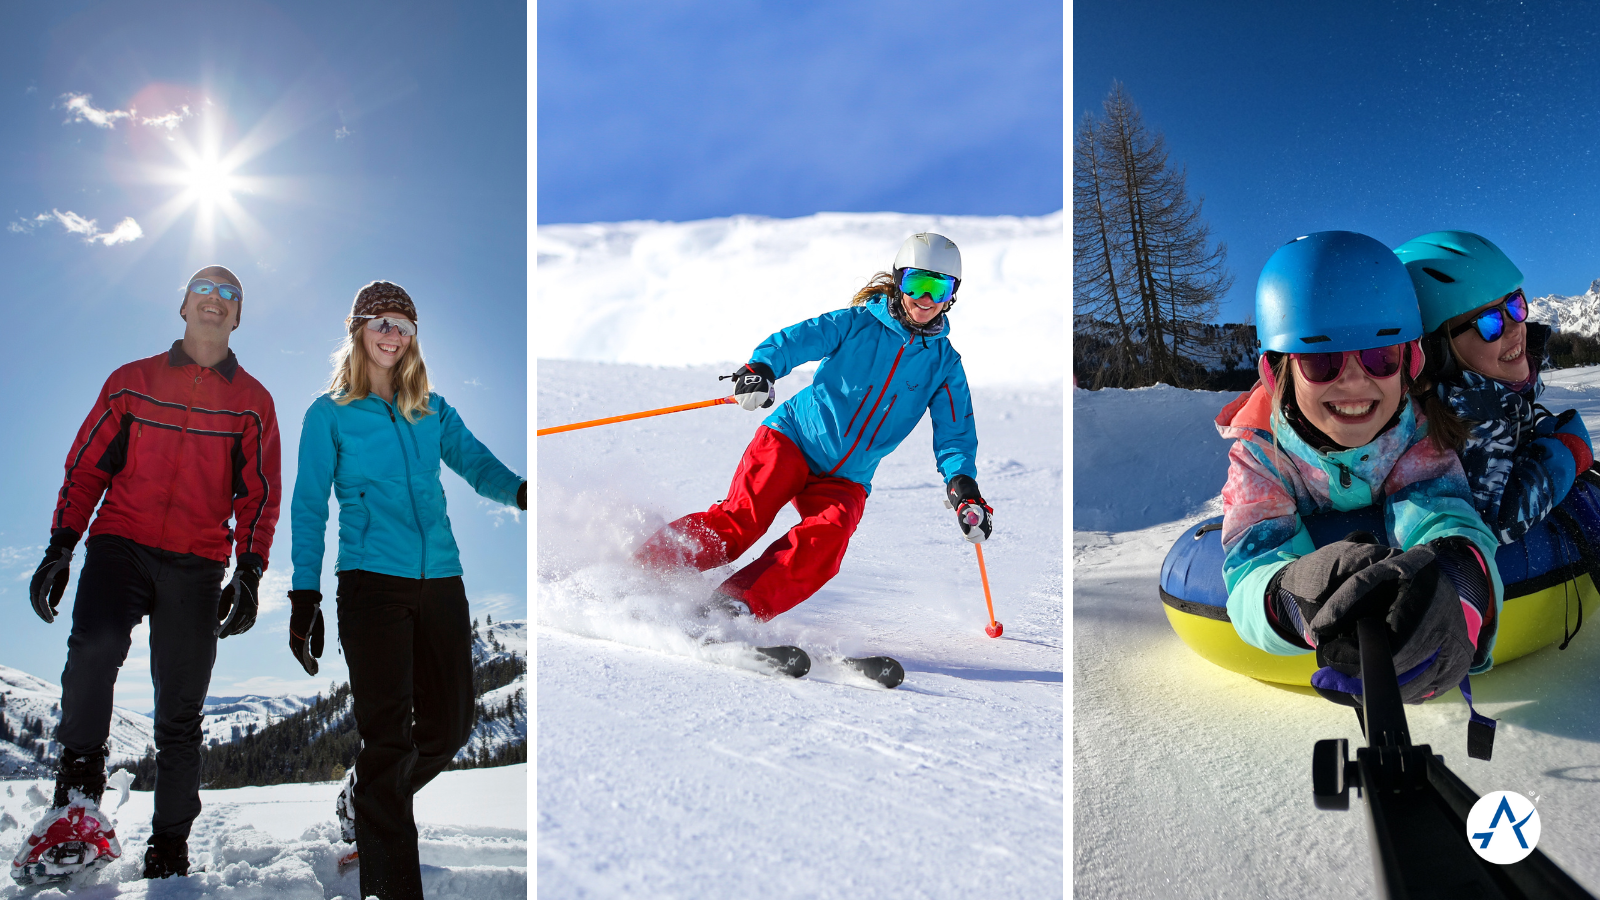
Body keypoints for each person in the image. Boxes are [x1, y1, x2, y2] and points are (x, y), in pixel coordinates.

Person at [22, 265, 280, 882]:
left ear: (238, 316)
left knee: (180, 710)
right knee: (96, 647)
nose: (215, 301)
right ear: (183, 307)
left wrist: (249, 570)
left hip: (196, 562)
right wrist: (61, 545)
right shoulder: (132, 383)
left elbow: (259, 496)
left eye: (229, 294)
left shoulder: (253, 403)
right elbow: (86, 466)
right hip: (121, 544)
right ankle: (78, 798)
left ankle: (169, 845)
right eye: (204, 290)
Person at [287, 281, 525, 900]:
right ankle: (390, 884)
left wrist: (521, 492)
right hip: (370, 583)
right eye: (380, 321)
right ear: (358, 330)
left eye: (402, 324)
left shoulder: (432, 410)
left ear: (413, 337)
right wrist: (303, 595)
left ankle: (368, 793)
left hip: (440, 580)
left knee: (449, 727)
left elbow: (477, 464)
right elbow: (310, 506)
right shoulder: (329, 413)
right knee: (389, 738)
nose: (391, 333)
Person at [634, 232, 991, 620]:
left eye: (938, 288)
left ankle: (732, 609)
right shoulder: (856, 324)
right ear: (897, 280)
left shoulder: (944, 364)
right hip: (793, 439)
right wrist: (761, 369)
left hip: (848, 476)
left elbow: (954, 432)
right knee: (740, 524)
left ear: (952, 295)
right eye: (916, 284)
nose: (925, 299)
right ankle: (640, 568)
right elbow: (797, 340)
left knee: (826, 541)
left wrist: (963, 485)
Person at [1216, 231, 1503, 706]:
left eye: (1379, 356)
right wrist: (1294, 595)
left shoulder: (1417, 435)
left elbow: (1443, 516)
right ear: (1276, 373)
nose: (1353, 380)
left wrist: (1455, 589)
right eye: (1321, 360)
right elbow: (1253, 559)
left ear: (1409, 362)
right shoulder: (1260, 455)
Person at [1396, 231, 1594, 544]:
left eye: (1515, 304)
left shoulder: (1492, 398)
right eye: (1490, 323)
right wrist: (1567, 450)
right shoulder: (1469, 412)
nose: (1516, 327)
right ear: (1437, 351)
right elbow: (1500, 518)